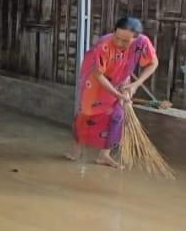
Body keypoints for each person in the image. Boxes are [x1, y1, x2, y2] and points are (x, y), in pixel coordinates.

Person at [67, 16, 159, 168]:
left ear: (136, 39)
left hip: (121, 77)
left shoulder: (142, 43)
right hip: (96, 79)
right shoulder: (104, 44)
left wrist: (135, 85)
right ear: (113, 32)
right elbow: (98, 74)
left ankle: (104, 155)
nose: (119, 43)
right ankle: (76, 149)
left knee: (117, 115)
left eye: (125, 41)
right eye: (117, 38)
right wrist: (117, 94)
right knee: (88, 113)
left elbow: (153, 63)